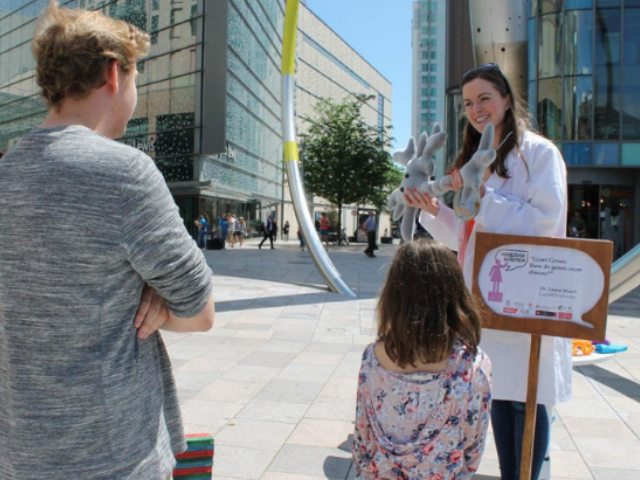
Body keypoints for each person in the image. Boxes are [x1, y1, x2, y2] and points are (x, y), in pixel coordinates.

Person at [0, 3, 215, 480]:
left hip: (17, 453)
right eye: (138, 79)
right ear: (114, 75)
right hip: (113, 454)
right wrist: (152, 298)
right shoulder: (125, 174)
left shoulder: (4, 174)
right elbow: (200, 313)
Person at [405, 63, 571, 480]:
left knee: (527, 400)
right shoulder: (476, 159)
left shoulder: (539, 153)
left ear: (506, 100)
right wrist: (436, 210)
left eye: (484, 99)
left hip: (528, 296)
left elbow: (544, 221)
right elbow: (467, 235)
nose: (476, 109)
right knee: (498, 394)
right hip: (485, 299)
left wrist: (483, 198)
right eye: (468, 103)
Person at [352, 240, 492, 479]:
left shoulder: (372, 358)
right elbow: (473, 444)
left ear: (394, 294)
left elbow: (362, 436)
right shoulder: (472, 365)